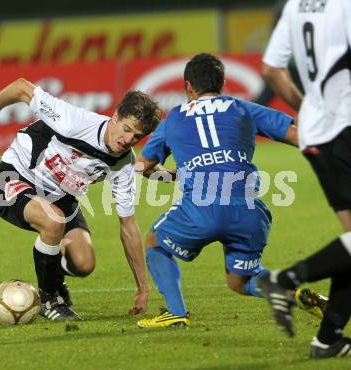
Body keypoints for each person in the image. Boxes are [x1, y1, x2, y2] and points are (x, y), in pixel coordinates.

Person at [134, 52, 326, 329]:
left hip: (200, 208)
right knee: (241, 280)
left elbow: (143, 167)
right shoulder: (243, 108)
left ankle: (176, 312)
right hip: (248, 211)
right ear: (222, 82)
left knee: (154, 242)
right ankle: (296, 295)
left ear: (189, 87)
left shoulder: (174, 118)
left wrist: (174, 176)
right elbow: (299, 136)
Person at [0, 78, 162, 321]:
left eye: (137, 136)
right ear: (114, 117)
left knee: (84, 263)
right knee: (53, 221)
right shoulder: (72, 121)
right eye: (126, 128)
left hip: (59, 195)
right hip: (13, 177)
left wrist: (143, 287)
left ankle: (50, 274)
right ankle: (49, 299)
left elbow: (128, 227)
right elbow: (21, 88)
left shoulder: (123, 162)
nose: (128, 140)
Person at [258, 0, 351, 359]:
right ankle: (287, 279)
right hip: (344, 127)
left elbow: (270, 70)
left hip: (318, 131)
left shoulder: (296, 5)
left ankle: (328, 338)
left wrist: (309, 110)